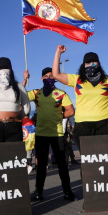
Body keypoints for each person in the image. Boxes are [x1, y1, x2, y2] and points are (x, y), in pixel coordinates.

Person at [52, 45, 108, 154]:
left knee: (107, 159)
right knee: (88, 160)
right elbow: (56, 74)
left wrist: (105, 113)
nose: (91, 65)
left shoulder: (107, 80)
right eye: (88, 63)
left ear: (99, 64)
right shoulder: (77, 80)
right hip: (83, 125)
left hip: (105, 125)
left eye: (94, 62)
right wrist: (58, 54)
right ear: (83, 65)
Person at [23, 67, 77, 201]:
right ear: (42, 78)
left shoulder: (61, 94)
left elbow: (70, 111)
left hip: (57, 133)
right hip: (41, 134)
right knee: (41, 165)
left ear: (55, 79)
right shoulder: (36, 93)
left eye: (51, 76)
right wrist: (25, 79)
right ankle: (38, 193)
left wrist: (59, 116)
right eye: (46, 76)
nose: (49, 78)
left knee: (62, 165)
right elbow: (21, 95)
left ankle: (67, 192)